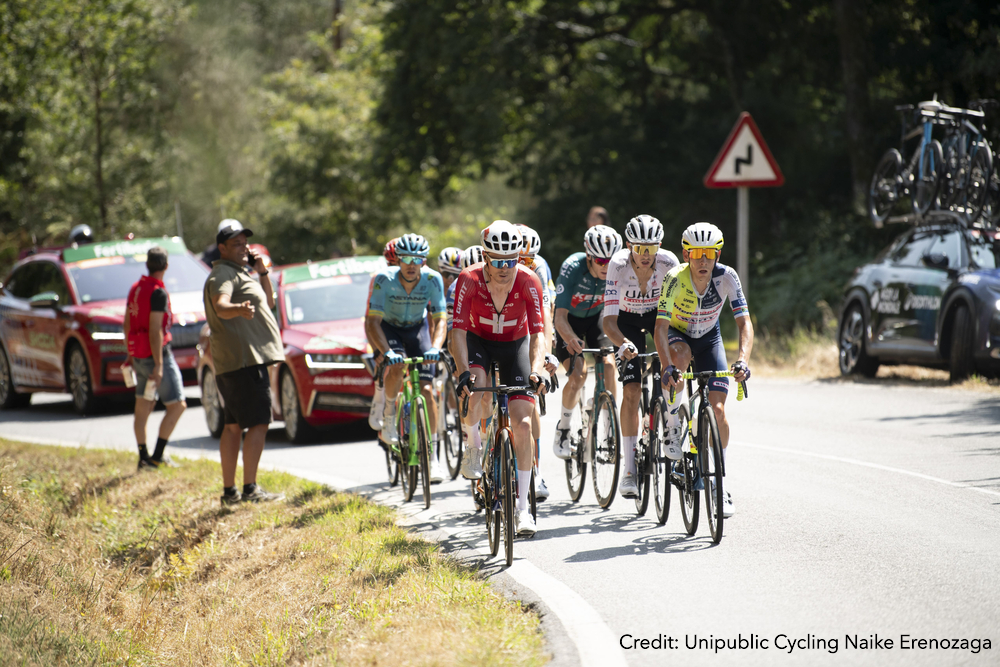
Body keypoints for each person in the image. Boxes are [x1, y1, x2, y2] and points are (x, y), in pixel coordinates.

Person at [452, 221, 548, 537]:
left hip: (515, 344)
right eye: (497, 260)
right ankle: (472, 447)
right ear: (485, 256)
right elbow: (458, 333)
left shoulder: (529, 280)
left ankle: (522, 509)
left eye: (511, 260)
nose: (504, 268)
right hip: (479, 342)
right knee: (477, 388)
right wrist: (462, 369)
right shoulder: (469, 279)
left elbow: (538, 335)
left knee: (521, 424)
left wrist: (538, 369)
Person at [654, 222, 753, 518]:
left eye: (709, 254)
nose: (703, 260)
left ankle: (719, 485)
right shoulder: (674, 278)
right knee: (681, 357)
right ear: (686, 254)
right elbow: (660, 327)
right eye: (696, 253)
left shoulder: (727, 277)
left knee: (718, 411)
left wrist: (743, 361)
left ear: (718, 255)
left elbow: (744, 323)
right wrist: (667, 366)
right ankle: (673, 423)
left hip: (710, 338)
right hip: (679, 335)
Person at [204, 221, 286, 505]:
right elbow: (220, 305)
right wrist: (238, 308)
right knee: (260, 423)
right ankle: (250, 488)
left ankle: (230, 493)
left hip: (237, 362)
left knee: (233, 426)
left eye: (244, 243)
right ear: (222, 248)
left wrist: (261, 271)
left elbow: (270, 303)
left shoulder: (241, 272)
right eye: (235, 244)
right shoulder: (223, 275)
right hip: (244, 361)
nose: (242, 248)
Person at [601, 215, 678, 498]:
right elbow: (608, 321)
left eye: (652, 248)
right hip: (627, 322)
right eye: (639, 248)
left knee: (672, 374)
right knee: (631, 390)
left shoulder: (669, 262)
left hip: (659, 319)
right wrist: (622, 344)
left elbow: (679, 309)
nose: (645, 255)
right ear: (629, 245)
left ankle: (670, 429)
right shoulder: (617, 265)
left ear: (660, 246)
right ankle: (629, 470)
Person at [365, 234, 448, 482]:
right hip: (389, 328)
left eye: (418, 258)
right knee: (397, 365)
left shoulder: (433, 279)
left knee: (426, 389)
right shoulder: (383, 279)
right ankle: (389, 415)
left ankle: (431, 460)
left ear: (424, 260)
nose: (412, 264)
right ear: (398, 260)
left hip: (417, 329)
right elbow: (372, 322)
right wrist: (385, 352)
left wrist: (435, 346)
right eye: (406, 259)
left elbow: (440, 318)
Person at [551, 224, 622, 459]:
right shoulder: (573, 268)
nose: (606, 267)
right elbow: (559, 317)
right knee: (578, 373)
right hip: (569, 321)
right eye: (601, 261)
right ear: (589, 257)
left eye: (610, 262)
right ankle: (563, 428)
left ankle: (610, 428)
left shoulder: (617, 269)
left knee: (609, 365)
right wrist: (570, 338)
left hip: (596, 319)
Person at [123, 246, 187, 470]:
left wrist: (130, 354)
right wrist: (159, 365)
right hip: (155, 356)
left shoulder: (136, 288)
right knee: (178, 405)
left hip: (138, 355)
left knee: (142, 408)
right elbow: (155, 330)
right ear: (166, 266)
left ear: (147, 265)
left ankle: (143, 457)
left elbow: (127, 323)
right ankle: (157, 457)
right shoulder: (157, 292)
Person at [515, 224, 557, 501]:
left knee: (530, 403)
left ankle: (536, 471)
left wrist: (545, 359)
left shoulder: (539, 268)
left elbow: (546, 319)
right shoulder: (499, 268)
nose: (526, 265)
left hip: (527, 333)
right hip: (500, 333)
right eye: (521, 259)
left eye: (530, 260)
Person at [368, 238, 400, 431]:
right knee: (384, 362)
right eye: (391, 264)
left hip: (409, 326)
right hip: (385, 324)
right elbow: (369, 320)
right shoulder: (379, 278)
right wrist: (376, 350)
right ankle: (379, 396)